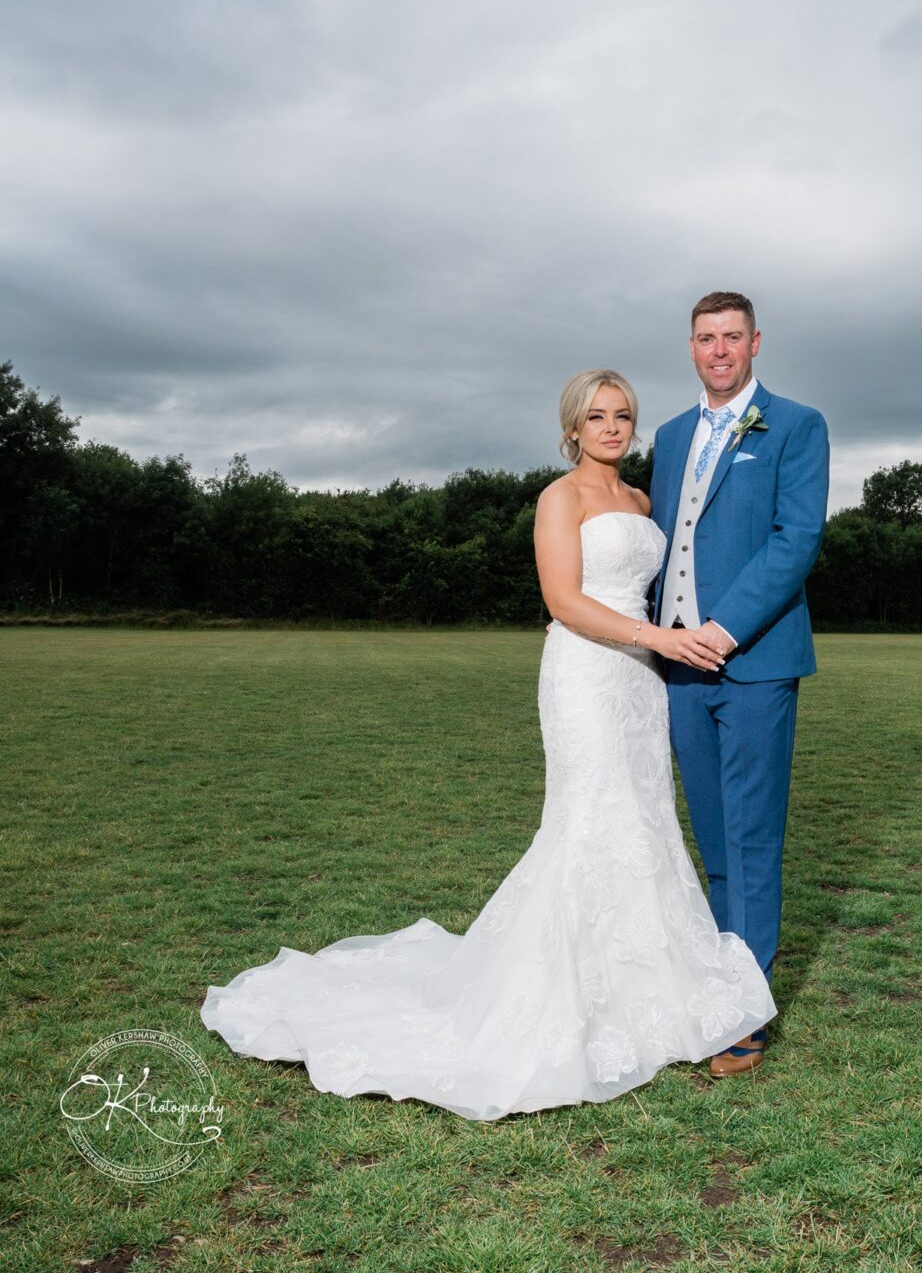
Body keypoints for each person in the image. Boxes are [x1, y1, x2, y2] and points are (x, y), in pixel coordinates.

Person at [199, 368, 774, 1122]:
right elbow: (563, 600)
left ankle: (644, 989)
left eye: (623, 415)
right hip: (585, 675)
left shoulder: (639, 500)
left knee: (643, 818)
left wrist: (665, 642)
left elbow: (669, 576)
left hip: (640, 684)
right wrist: (652, 636)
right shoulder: (558, 498)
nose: (611, 427)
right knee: (588, 819)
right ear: (571, 428)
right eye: (595, 416)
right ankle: (565, 994)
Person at [650, 292, 829, 1078]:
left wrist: (720, 632)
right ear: (690, 347)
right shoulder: (666, 435)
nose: (718, 350)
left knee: (753, 835)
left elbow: (797, 540)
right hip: (677, 671)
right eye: (704, 338)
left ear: (755, 343)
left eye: (731, 337)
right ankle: (720, 980)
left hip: (752, 663)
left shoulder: (795, 425)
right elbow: (661, 543)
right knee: (714, 834)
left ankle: (744, 1012)